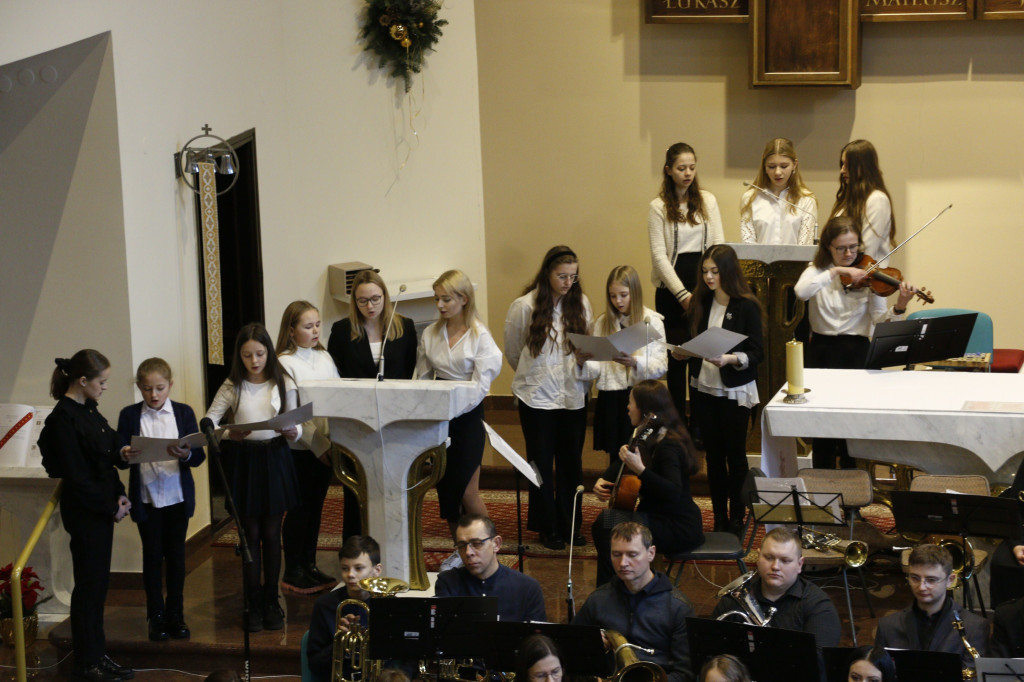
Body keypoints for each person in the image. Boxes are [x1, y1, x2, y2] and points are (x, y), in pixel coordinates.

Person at [37, 350, 135, 682]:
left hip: (102, 508)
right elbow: (77, 478)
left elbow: (104, 458)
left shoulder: (87, 410)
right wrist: (110, 506)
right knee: (88, 589)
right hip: (86, 513)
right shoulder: (62, 420)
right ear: (82, 381)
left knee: (97, 587)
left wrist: (120, 493)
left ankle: (97, 653)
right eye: (102, 382)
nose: (105, 388)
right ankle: (86, 662)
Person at [793, 215, 919, 469]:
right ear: (828, 247)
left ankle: (853, 500)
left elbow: (879, 322)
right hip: (822, 352)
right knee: (823, 429)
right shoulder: (817, 271)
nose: (849, 253)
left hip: (856, 354)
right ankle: (823, 491)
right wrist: (836, 271)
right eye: (841, 248)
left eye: (853, 247)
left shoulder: (871, 272)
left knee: (852, 430)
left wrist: (900, 307)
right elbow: (801, 292)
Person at [205, 322, 302, 632]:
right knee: (250, 534)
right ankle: (252, 601)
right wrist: (229, 433)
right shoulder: (233, 384)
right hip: (245, 459)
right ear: (240, 356)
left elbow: (297, 425)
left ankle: (271, 599)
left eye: (259, 354)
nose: (254, 361)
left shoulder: (283, 381)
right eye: (247, 355)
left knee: (273, 533)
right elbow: (210, 420)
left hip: (274, 456)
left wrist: (291, 430)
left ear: (268, 352)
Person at [504, 245, 593, 550]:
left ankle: (570, 525)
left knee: (571, 463)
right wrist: (535, 376)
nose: (569, 282)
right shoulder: (524, 306)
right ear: (547, 274)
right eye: (562, 276)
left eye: (573, 276)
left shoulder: (580, 303)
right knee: (540, 463)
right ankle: (547, 527)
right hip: (537, 398)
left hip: (572, 396)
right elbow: (513, 351)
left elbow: (588, 344)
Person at [415, 270, 503, 571]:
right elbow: (422, 375)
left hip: (466, 418)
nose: (440, 304)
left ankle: (489, 546)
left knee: (467, 490)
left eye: (447, 298)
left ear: (463, 299)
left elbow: (481, 386)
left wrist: (454, 407)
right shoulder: (430, 333)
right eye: (437, 298)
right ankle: (463, 551)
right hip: (439, 417)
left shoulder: (480, 336)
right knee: (448, 491)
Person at [115, 358, 206, 642]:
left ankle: (176, 614)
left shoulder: (183, 412)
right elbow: (118, 455)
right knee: (152, 557)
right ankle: (155, 616)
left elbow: (199, 456)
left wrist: (187, 454)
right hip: (147, 498)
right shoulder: (130, 415)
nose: (153, 395)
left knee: (176, 557)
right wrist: (124, 453)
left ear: (170, 386)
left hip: (177, 497)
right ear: (139, 388)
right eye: (146, 389)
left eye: (159, 388)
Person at [328, 270, 417, 540]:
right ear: (354, 301)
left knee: (392, 488)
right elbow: (336, 376)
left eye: (376, 299)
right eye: (363, 300)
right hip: (357, 423)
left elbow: (409, 370)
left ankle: (394, 544)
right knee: (357, 490)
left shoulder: (405, 326)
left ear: (385, 297)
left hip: (394, 422)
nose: (370, 306)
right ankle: (356, 550)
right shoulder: (342, 331)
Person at [590, 381, 704, 586]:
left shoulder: (668, 444)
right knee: (605, 523)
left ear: (644, 409)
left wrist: (640, 471)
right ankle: (613, 588)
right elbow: (623, 459)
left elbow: (673, 492)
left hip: (677, 525)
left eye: (630, 402)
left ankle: (611, 588)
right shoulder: (647, 432)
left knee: (607, 524)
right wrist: (603, 479)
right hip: (655, 516)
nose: (627, 407)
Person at [683, 244, 762, 534]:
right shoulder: (700, 302)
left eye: (715, 271)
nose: (708, 277)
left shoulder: (746, 305)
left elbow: (757, 353)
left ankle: (737, 517)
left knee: (735, 456)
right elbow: (695, 342)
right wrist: (684, 352)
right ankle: (718, 517)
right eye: (704, 271)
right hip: (705, 387)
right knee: (714, 458)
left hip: (734, 389)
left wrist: (729, 358)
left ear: (728, 271)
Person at [647, 142, 724, 431]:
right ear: (668, 170)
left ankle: (700, 426)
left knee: (700, 358)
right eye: (681, 168)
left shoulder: (708, 200)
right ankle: (678, 424)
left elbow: (718, 245)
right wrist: (682, 295)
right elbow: (658, 256)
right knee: (677, 359)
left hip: (704, 284)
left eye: (692, 167)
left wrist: (710, 286)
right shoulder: (658, 207)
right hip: (671, 290)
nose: (688, 173)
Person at [574, 521, 695, 682]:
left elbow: (686, 674)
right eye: (616, 554)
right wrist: (591, 645)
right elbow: (571, 653)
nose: (623, 563)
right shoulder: (598, 599)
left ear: (651, 553)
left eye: (632, 554)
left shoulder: (678, 606)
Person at [276, 300, 341, 593]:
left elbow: (339, 394)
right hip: (301, 449)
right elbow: (293, 414)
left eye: (317, 325)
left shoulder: (324, 357)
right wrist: (318, 445)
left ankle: (309, 564)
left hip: (327, 445)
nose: (315, 331)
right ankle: (292, 569)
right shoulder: (284, 362)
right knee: (300, 509)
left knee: (316, 509)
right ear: (291, 330)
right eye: (307, 326)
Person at [578, 265, 667, 469]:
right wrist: (582, 362)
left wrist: (636, 363)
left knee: (643, 455)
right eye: (613, 296)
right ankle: (618, 496)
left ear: (634, 292)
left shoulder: (652, 321)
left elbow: (661, 366)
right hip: (613, 399)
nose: (618, 301)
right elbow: (597, 368)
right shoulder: (603, 322)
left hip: (642, 398)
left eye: (623, 295)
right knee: (616, 457)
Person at [711, 527, 841, 648]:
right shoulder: (734, 599)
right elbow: (712, 647)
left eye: (785, 560)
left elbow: (819, 661)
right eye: (768, 558)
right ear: (758, 557)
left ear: (800, 564)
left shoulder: (819, 607)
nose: (775, 567)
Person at [874, 544, 988, 673]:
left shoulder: (975, 627)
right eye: (915, 578)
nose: (921, 587)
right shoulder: (887, 626)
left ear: (950, 580)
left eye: (931, 580)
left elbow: (972, 678)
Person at [435, 513, 546, 622]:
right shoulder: (447, 583)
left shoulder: (527, 588)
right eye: (462, 545)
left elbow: (536, 638)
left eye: (477, 543)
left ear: (496, 544)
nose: (468, 552)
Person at [306, 535, 383, 682]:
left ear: (377, 570)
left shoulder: (389, 605)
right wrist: (339, 642)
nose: (350, 575)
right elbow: (314, 664)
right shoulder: (324, 605)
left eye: (358, 568)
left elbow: (407, 658)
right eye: (344, 568)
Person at [829, 140, 896, 264]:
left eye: (848, 165)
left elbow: (867, 250)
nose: (842, 170)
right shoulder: (847, 200)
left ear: (863, 166)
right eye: (842, 164)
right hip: (841, 275)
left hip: (865, 279)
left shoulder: (877, 199)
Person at [740, 138, 817, 246]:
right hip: (759, 262)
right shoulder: (750, 198)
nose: (777, 172)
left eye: (784, 166)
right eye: (771, 167)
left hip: (795, 262)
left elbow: (805, 247)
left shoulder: (806, 199)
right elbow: (748, 245)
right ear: (764, 167)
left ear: (794, 165)